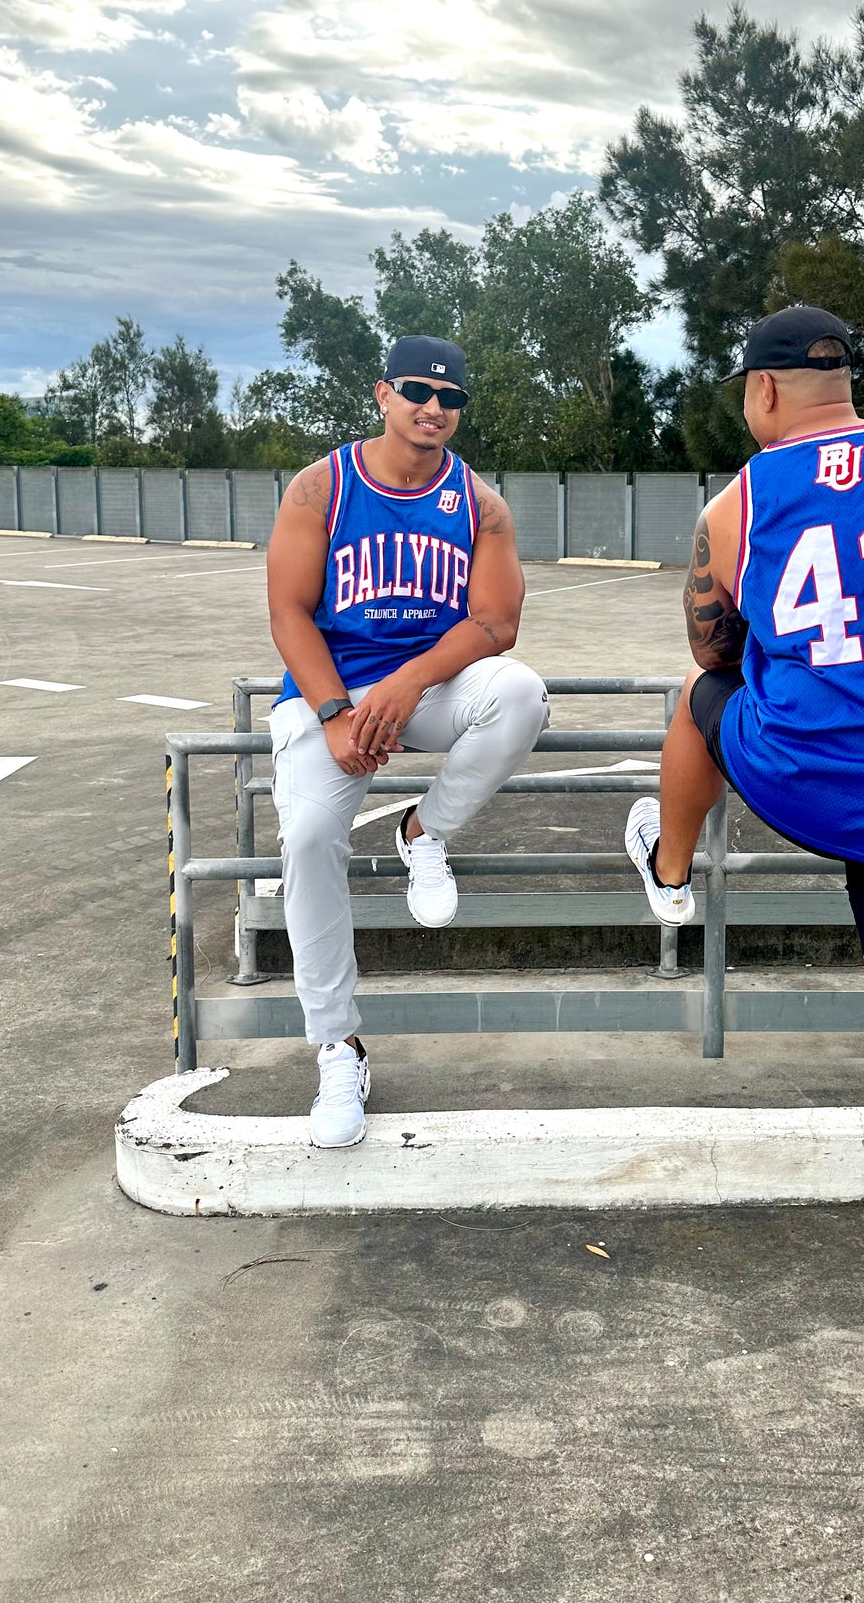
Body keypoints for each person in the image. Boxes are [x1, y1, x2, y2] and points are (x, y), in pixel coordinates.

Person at [625, 306, 864, 1369]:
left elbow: (714, 649)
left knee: (698, 696)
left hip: (796, 778)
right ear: (845, 380)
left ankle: (669, 869)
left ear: (762, 391)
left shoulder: (736, 504)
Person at [266, 334, 549, 1147]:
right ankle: (338, 1046)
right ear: (382, 394)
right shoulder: (320, 486)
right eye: (418, 391)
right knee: (309, 836)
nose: (434, 407)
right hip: (330, 688)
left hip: (426, 686)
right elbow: (288, 611)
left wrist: (408, 682)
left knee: (520, 694)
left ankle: (424, 832)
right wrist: (333, 712)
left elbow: (496, 623)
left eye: (450, 397)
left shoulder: (479, 504)